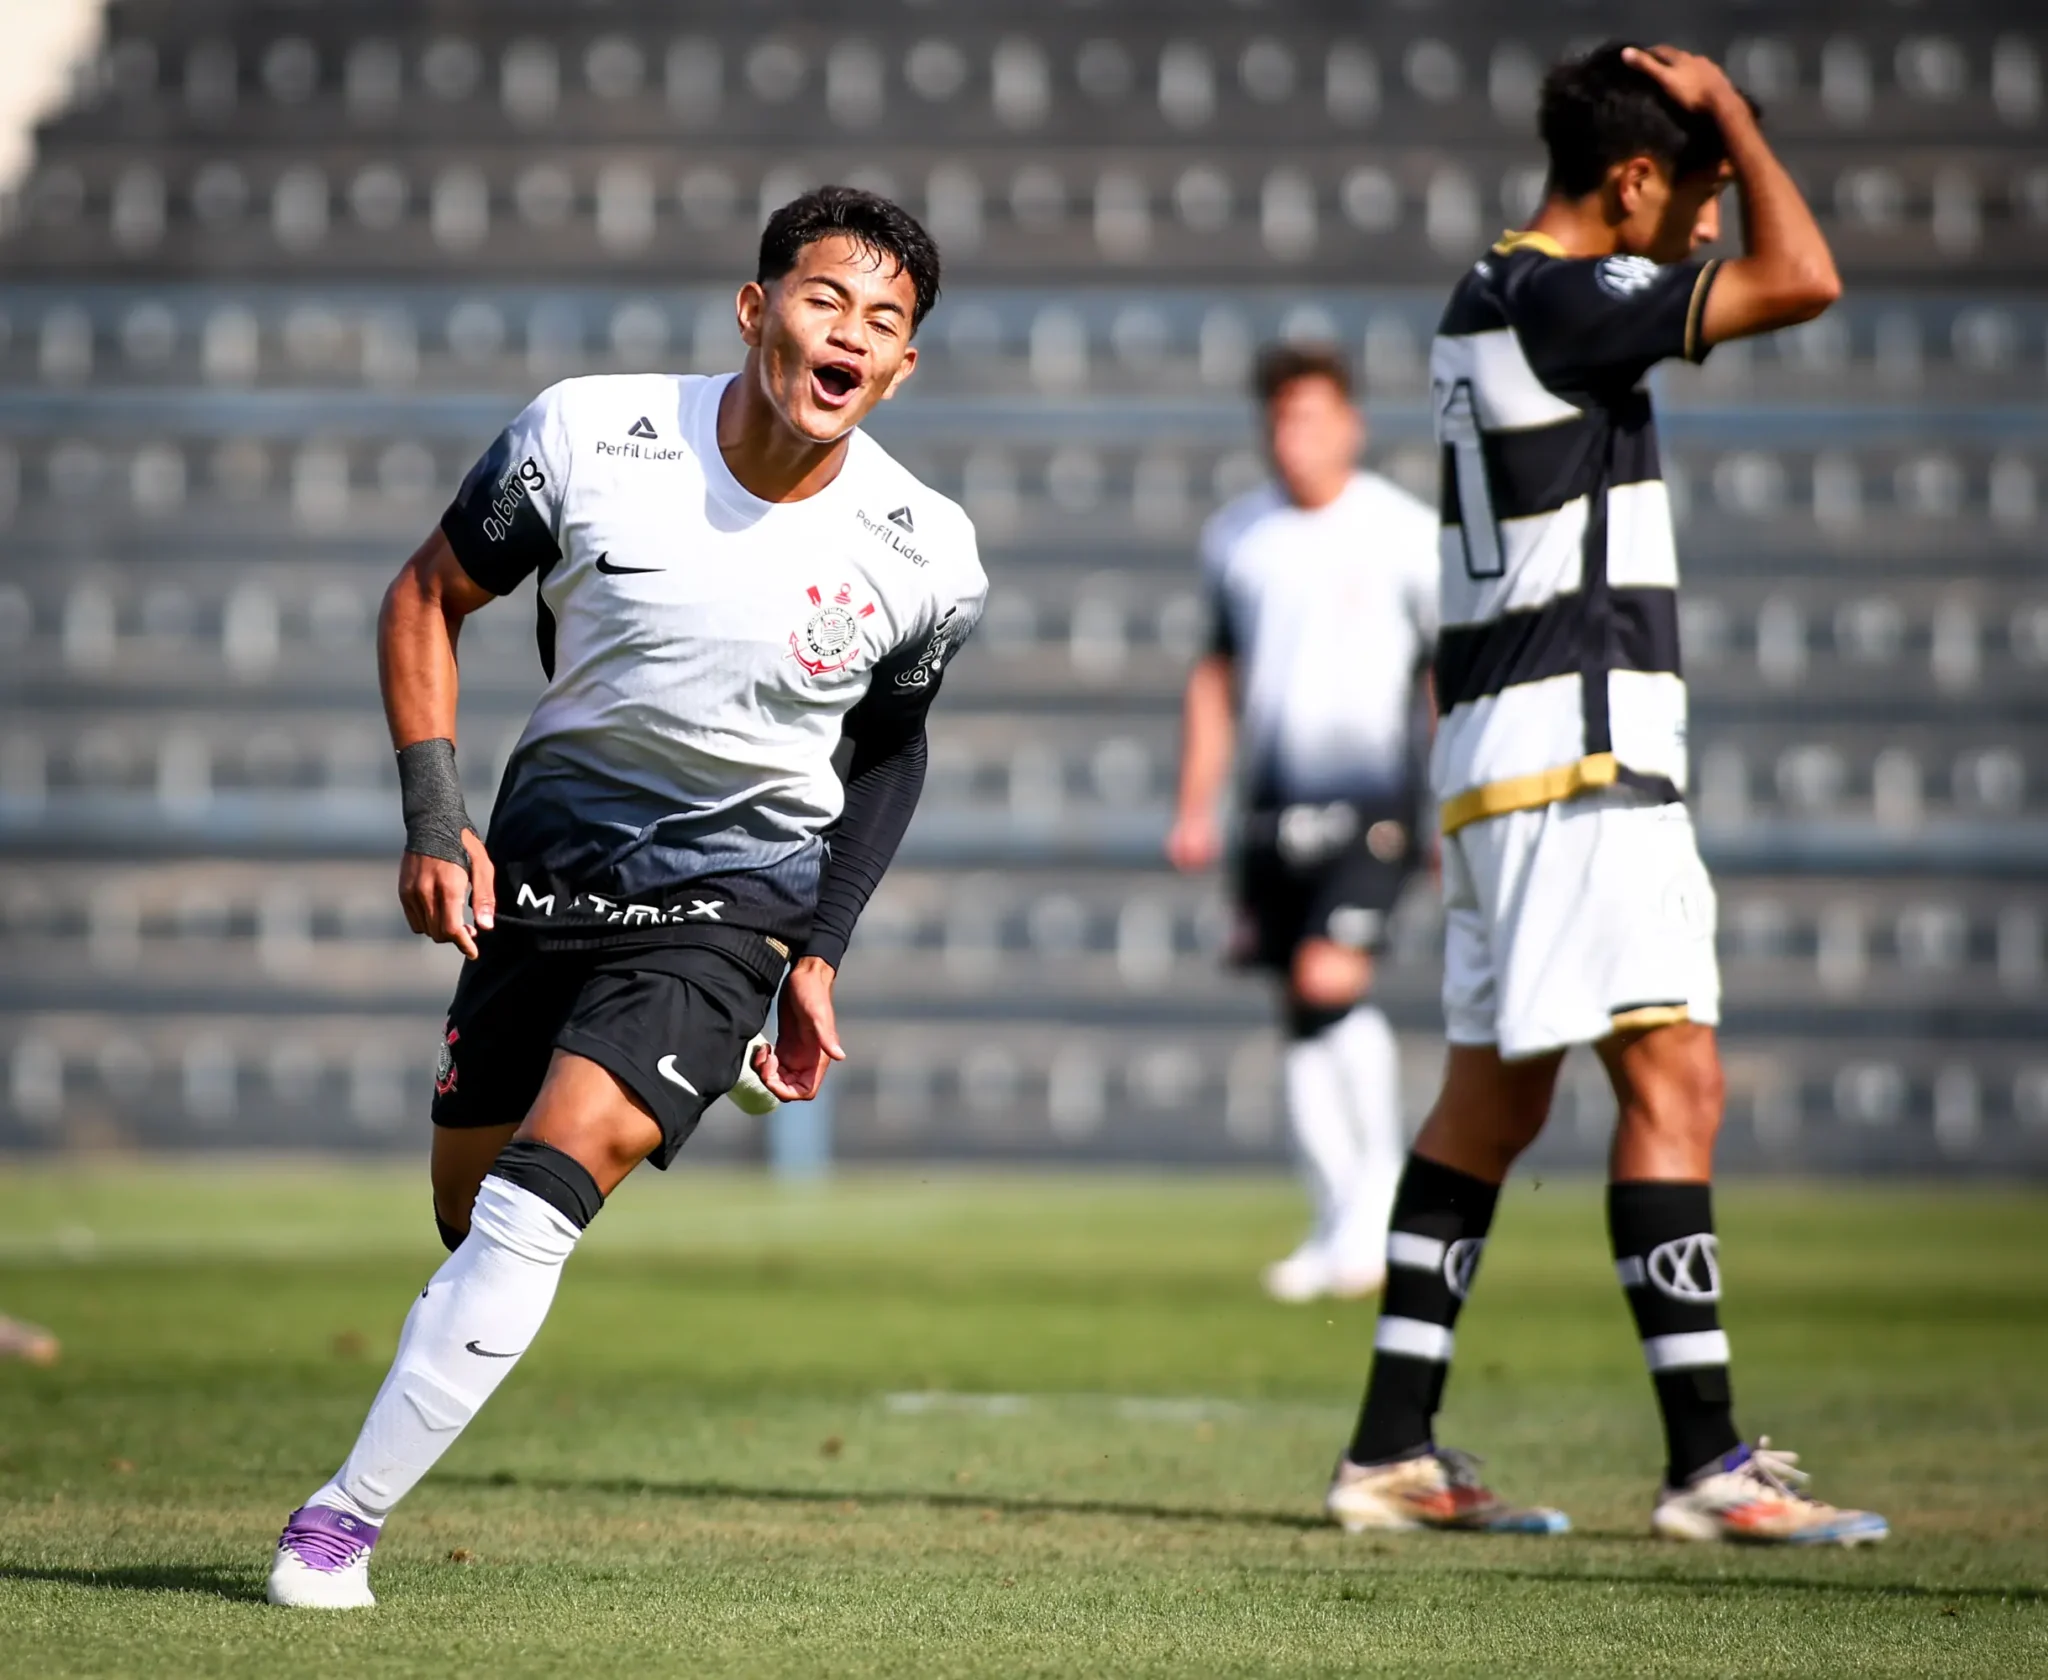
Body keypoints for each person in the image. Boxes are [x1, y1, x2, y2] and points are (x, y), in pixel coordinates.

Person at [266, 187, 986, 1609]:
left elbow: (893, 751)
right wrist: (435, 820)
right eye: (826, 299)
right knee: (472, 1210)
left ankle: (338, 1525)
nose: (850, 335)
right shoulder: (588, 436)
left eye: (883, 321)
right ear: (756, 309)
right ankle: (459, 1333)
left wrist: (818, 951)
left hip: (733, 904)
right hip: (544, 882)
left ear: (903, 369)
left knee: (554, 1177)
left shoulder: (927, 552)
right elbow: (425, 597)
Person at [1324, 44, 1888, 1544]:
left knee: (1488, 1107)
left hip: (1500, 761)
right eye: (1696, 191)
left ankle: (1388, 1451)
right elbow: (1806, 277)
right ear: (1632, 180)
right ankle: (1707, 1466)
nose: (1709, 221)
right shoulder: (1567, 297)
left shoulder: (1492, 292)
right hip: (1579, 762)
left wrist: (1720, 136)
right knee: (1675, 1082)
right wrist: (1742, 122)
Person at [1169, 345, 1439, 1303]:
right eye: (1282, 418)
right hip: (1272, 805)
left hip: (1374, 801)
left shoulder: (1403, 533)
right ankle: (1336, 1217)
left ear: (1351, 425)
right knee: (1300, 1008)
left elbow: (1442, 677)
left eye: (1314, 416)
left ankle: (1378, 1204)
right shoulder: (1240, 537)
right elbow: (1216, 677)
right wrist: (1195, 805)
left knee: (1332, 979)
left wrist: (1451, 804)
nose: (1296, 436)